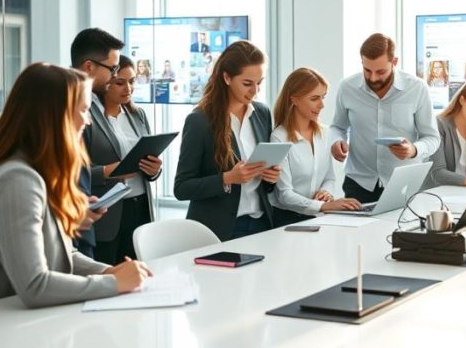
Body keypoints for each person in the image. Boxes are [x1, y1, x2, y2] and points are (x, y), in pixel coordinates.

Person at [0, 63, 151, 348]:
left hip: (30, 334)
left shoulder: (35, 173)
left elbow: (63, 255)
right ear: (52, 117)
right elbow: (34, 286)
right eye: (82, 111)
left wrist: (110, 272)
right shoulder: (17, 180)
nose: (87, 121)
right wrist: (114, 283)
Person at [174, 41, 295, 240]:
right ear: (227, 77)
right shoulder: (199, 121)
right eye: (247, 84)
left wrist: (270, 179)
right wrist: (227, 178)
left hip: (262, 223)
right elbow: (182, 188)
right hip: (219, 229)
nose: (255, 91)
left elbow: (264, 183)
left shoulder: (262, 113)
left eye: (259, 83)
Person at [330, 33, 439, 204]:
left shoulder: (417, 88)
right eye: (367, 70)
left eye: (380, 71)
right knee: (355, 231)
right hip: (359, 183)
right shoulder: (347, 87)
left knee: (402, 230)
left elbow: (432, 138)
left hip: (404, 184)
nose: (373, 78)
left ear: (394, 62)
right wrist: (336, 141)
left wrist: (414, 150)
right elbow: (337, 127)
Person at [86, 55, 162, 264]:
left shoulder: (138, 115)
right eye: (120, 82)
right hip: (108, 213)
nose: (128, 88)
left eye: (132, 81)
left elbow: (149, 163)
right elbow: (77, 172)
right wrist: (109, 171)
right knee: (109, 273)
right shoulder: (87, 117)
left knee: (138, 272)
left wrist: (154, 169)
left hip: (139, 208)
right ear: (105, 84)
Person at [270, 68, 362, 215]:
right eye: (314, 99)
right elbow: (284, 195)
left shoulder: (326, 133)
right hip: (286, 218)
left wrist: (325, 193)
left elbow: (329, 178)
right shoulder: (279, 137)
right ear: (294, 99)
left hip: (317, 216)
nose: (322, 105)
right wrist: (324, 206)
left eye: (323, 97)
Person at [70, 27, 125, 257]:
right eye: (112, 69)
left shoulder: (93, 102)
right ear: (89, 66)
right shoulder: (67, 106)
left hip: (85, 222)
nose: (115, 75)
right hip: (72, 227)